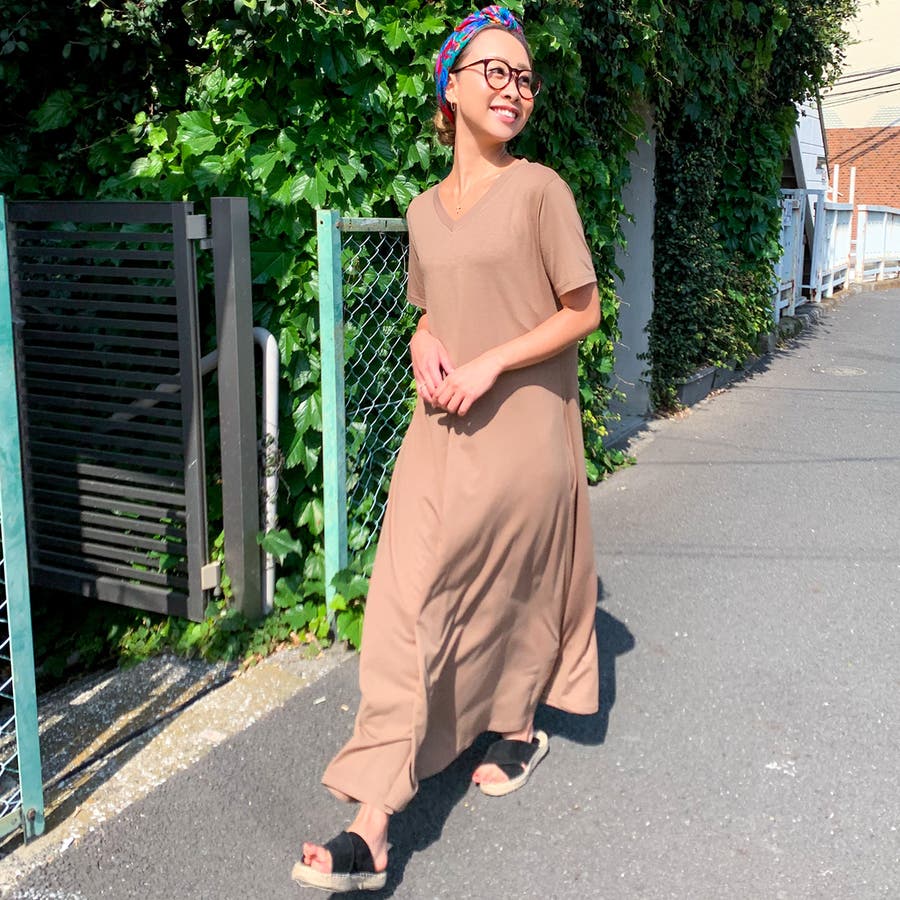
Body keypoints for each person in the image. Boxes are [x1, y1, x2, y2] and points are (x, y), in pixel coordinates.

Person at [292, 6, 601, 892]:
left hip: (523, 434)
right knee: (403, 603)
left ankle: (516, 724)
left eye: (525, 77)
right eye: (494, 71)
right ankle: (372, 822)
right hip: (440, 431)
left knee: (504, 593)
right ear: (450, 88)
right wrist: (423, 340)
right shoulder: (423, 212)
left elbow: (582, 310)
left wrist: (493, 361)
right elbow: (432, 308)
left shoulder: (541, 191)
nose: (513, 89)